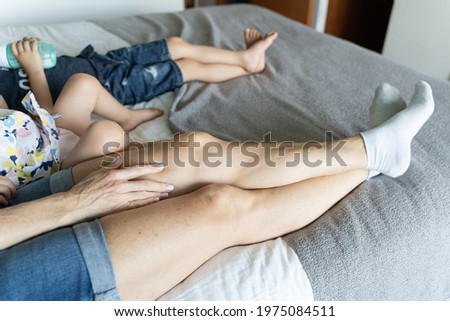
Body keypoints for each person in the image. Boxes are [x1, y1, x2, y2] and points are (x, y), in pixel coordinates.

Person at [0, 80, 435, 300]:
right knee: (219, 204)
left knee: (196, 148)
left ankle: (374, 146)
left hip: (23, 204)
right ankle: (376, 153)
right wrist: (76, 202)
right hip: (19, 286)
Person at [0, 39, 162, 186]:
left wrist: (35, 69)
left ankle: (127, 118)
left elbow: (42, 113)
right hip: (58, 168)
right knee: (106, 132)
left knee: (82, 84)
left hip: (52, 133)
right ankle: (128, 150)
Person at [0, 29, 278, 113]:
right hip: (110, 88)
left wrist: (29, 50)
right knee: (186, 68)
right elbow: (49, 116)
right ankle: (249, 65)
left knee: (176, 45)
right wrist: (33, 67)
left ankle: (242, 56)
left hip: (97, 61)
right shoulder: (10, 118)